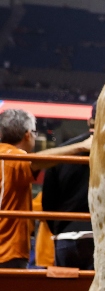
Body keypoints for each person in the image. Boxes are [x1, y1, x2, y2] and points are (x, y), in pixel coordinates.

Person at [0, 109, 92, 269]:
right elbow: (36, 162)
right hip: (6, 250)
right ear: (28, 134)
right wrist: (80, 147)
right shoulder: (11, 157)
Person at [41, 107, 96, 269]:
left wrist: (59, 229)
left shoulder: (62, 152)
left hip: (65, 234)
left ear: (89, 121)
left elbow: (48, 202)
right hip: (102, 236)